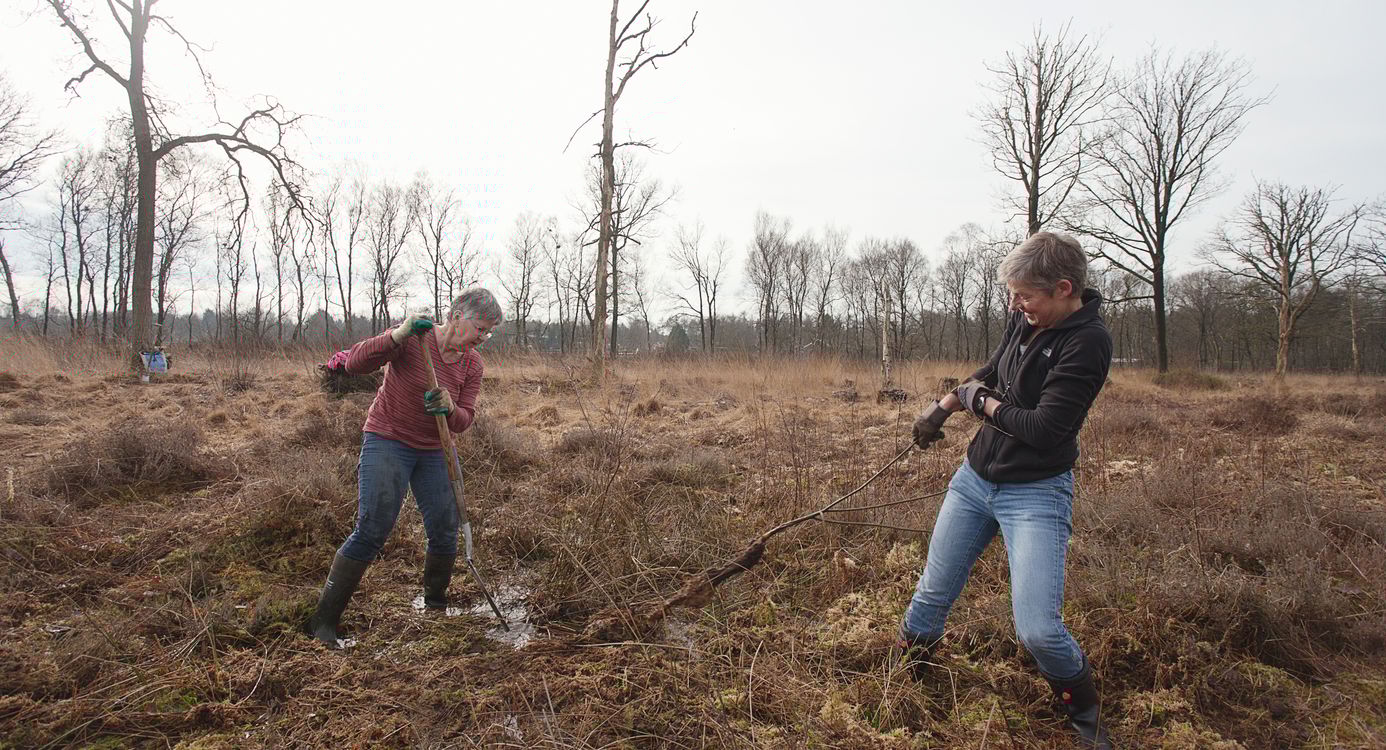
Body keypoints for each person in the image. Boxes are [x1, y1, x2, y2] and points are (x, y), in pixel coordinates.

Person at [901, 232, 1114, 749]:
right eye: (1014, 296)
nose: (1016, 306)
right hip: (975, 480)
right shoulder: (1026, 317)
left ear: (1065, 288)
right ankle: (905, 685)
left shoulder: (1088, 342)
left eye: (1026, 296)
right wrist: (945, 405)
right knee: (932, 593)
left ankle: (1085, 721)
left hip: (1036, 494)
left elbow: (1045, 429)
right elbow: (993, 372)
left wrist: (982, 406)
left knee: (1039, 629)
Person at [309, 287, 504, 648]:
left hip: (434, 450)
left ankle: (435, 608)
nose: (483, 338)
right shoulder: (414, 339)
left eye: (489, 332)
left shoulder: (472, 364)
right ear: (458, 315)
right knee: (373, 528)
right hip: (389, 440)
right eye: (481, 328)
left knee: (445, 529)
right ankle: (324, 623)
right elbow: (355, 363)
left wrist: (449, 407)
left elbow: (465, 420)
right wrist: (396, 334)